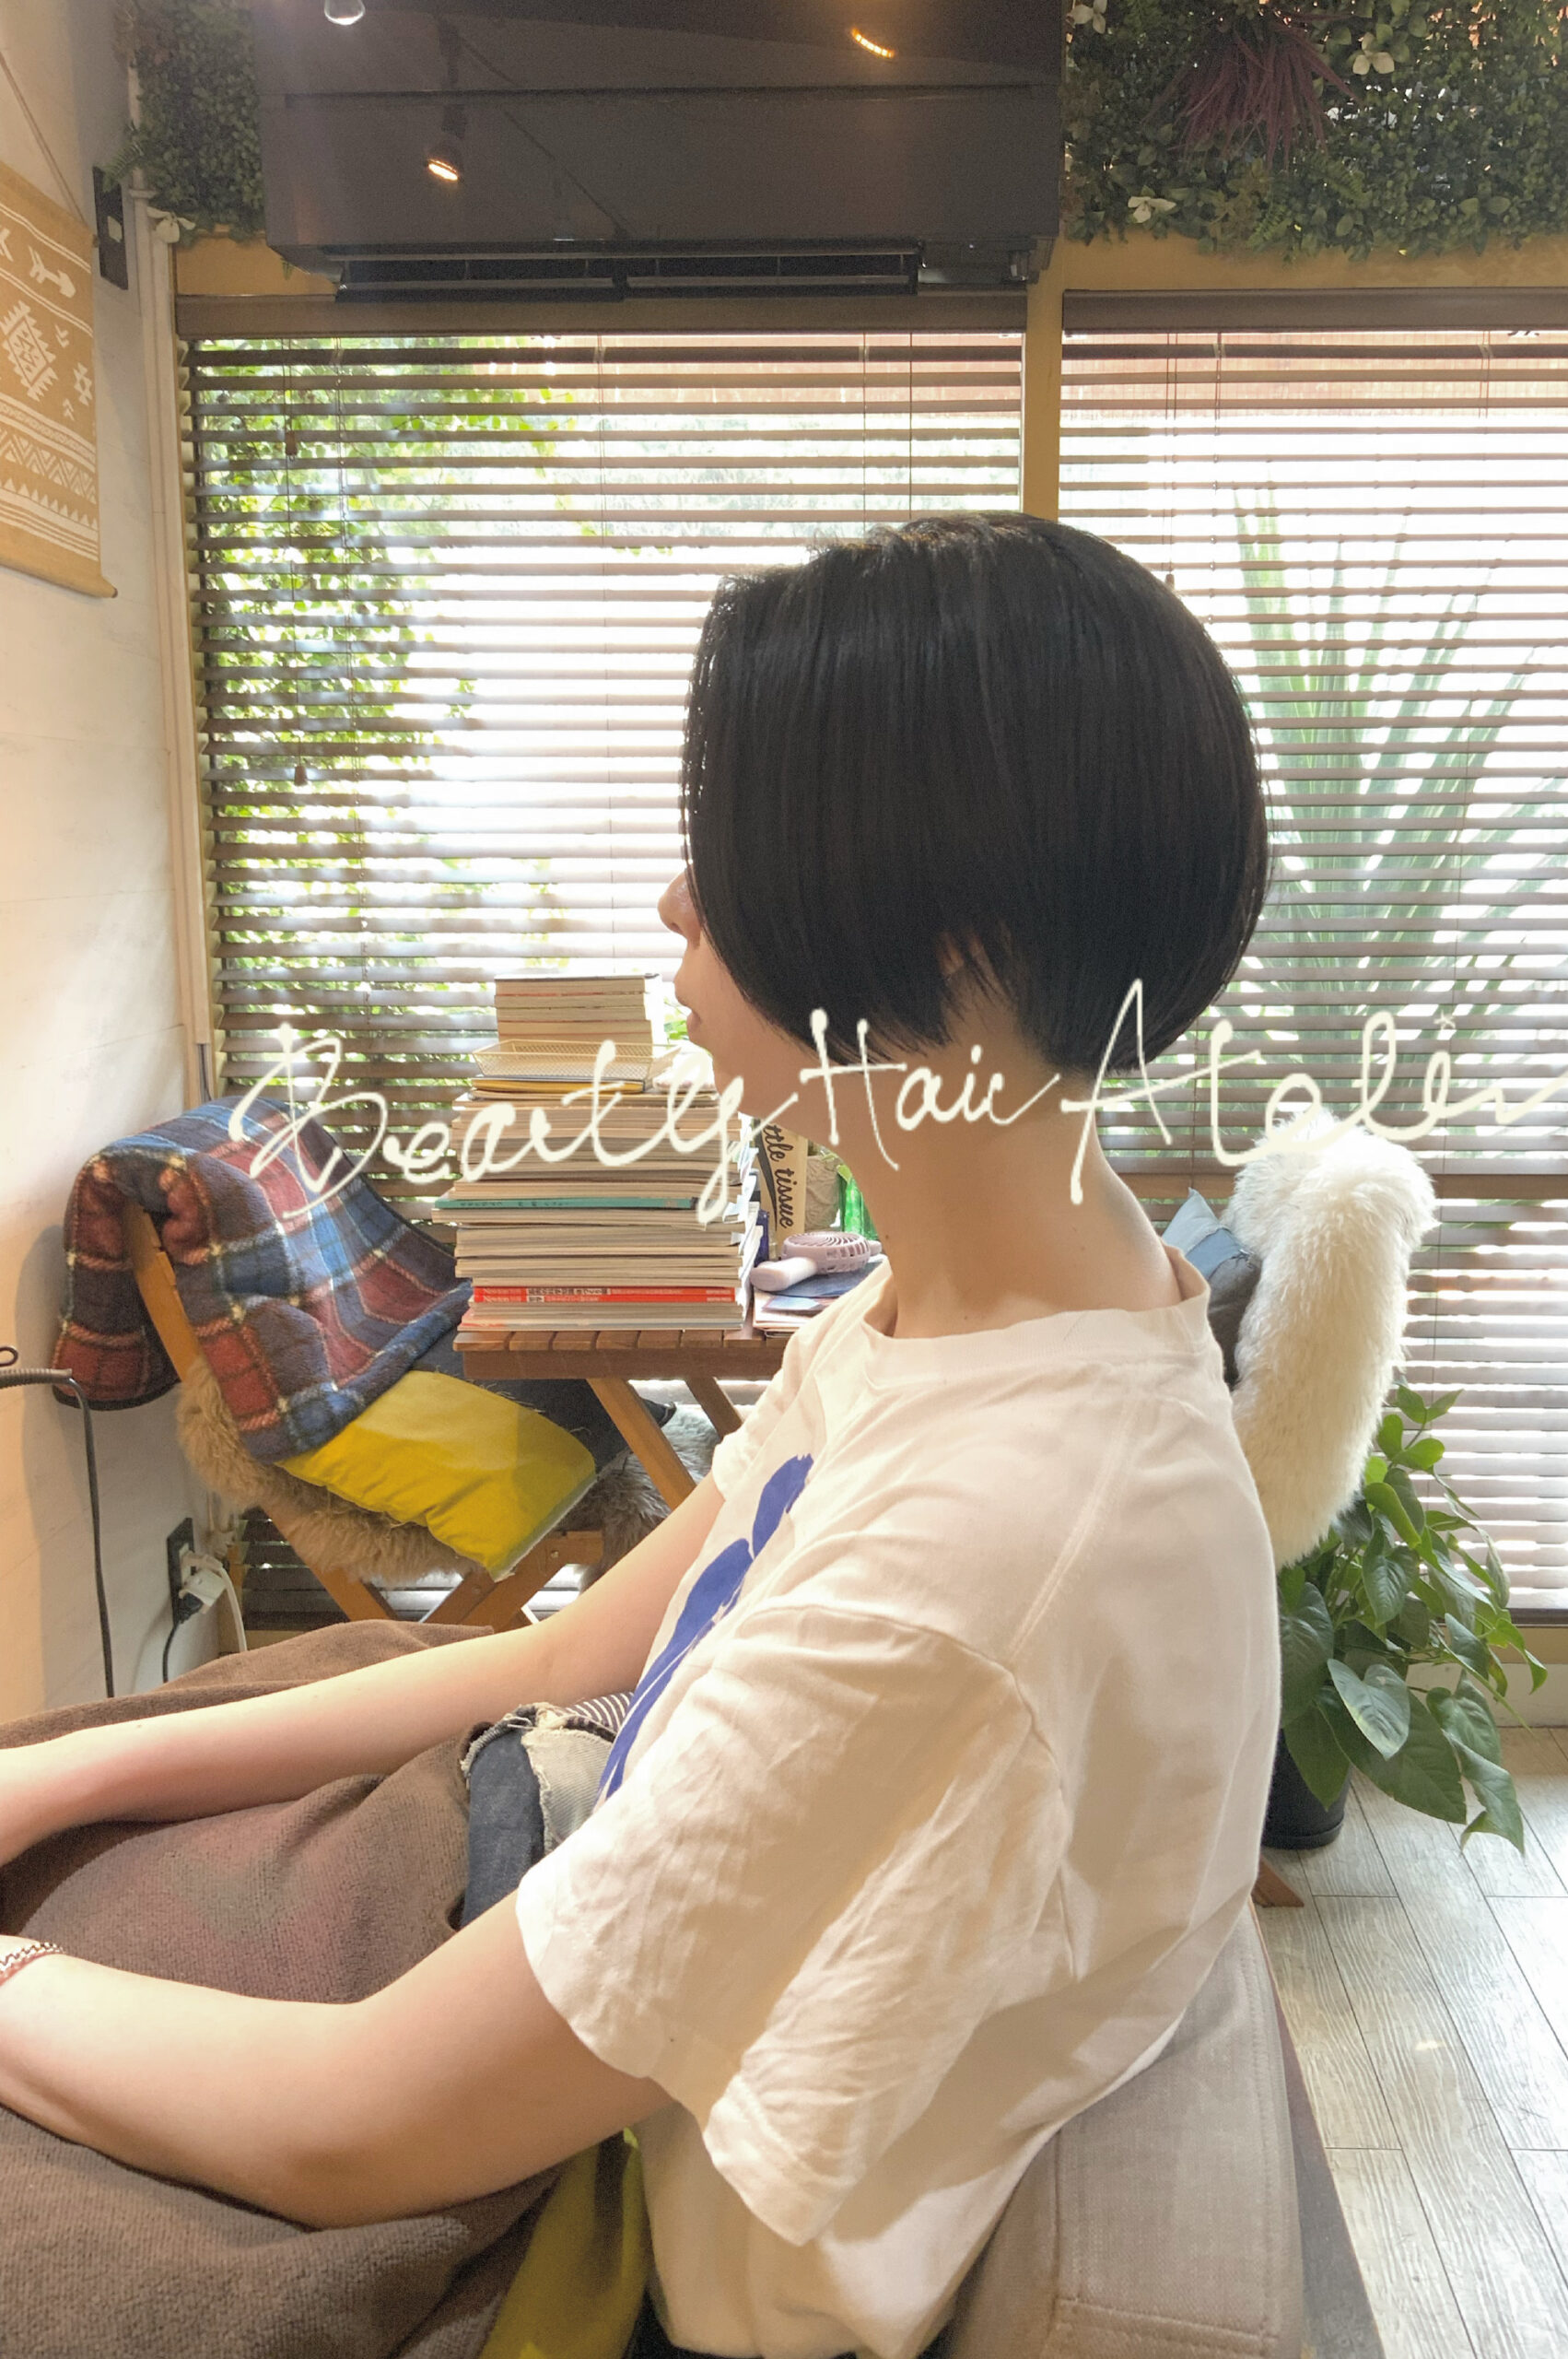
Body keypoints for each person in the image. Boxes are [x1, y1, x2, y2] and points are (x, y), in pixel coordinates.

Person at [0, 514, 1278, 2359]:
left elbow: (360, 2124)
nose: (677, 904)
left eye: (730, 853)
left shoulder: (984, 1556)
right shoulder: (963, 1308)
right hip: (548, 1885)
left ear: (950, 942)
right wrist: (61, 1782)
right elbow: (568, 1654)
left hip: (599, 2232)